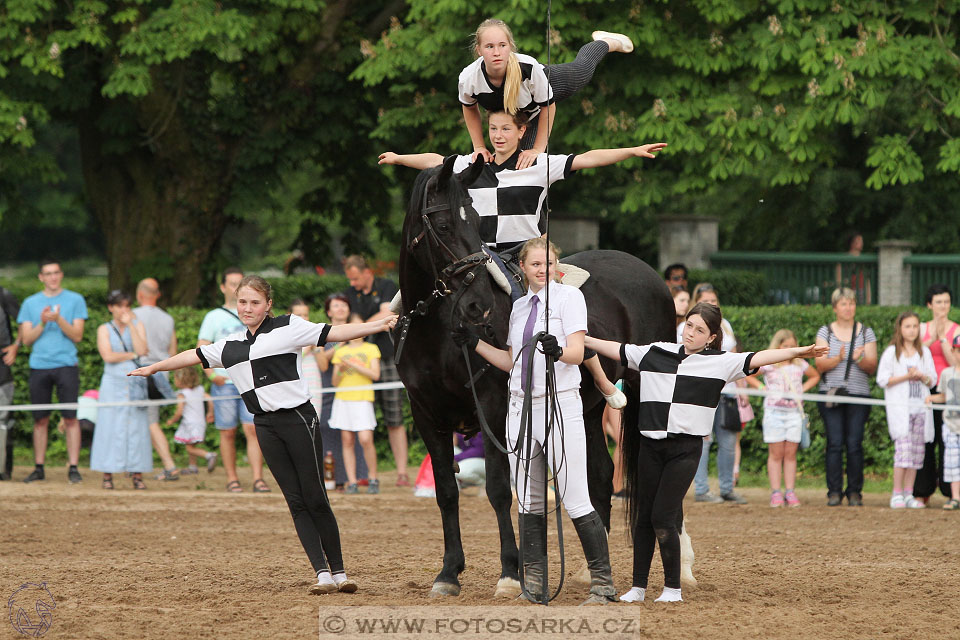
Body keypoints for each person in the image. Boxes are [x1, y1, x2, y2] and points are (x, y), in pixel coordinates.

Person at [129, 275, 398, 594]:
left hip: (299, 418)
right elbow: (193, 355)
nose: (247, 308)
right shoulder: (230, 345)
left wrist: (379, 325)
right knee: (295, 501)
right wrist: (155, 367)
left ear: (268, 305)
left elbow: (334, 332)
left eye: (255, 302)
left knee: (315, 497)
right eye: (242, 302)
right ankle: (322, 573)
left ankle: (340, 572)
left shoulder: (289, 327)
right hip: (265, 426)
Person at [378, 110, 665, 405]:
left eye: (505, 129)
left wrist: (631, 151)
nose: (498, 135)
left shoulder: (539, 164)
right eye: (493, 129)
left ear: (521, 131)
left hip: (526, 257)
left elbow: (587, 158)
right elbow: (434, 161)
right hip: (482, 255)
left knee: (552, 313)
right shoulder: (470, 164)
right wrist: (400, 158)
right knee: (408, 302)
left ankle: (602, 380)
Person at [585, 302, 826, 603]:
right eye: (689, 326)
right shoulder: (655, 352)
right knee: (643, 518)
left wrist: (797, 352)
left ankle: (672, 588)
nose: (691, 333)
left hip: (684, 451)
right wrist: (579, 337)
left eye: (700, 330)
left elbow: (759, 356)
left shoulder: (721, 362)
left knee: (663, 516)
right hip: (649, 446)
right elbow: (616, 348)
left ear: (711, 337)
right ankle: (638, 587)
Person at [452, 237, 617, 606]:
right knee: (527, 500)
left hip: (560, 405)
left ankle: (603, 584)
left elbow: (577, 351)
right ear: (523, 268)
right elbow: (513, 361)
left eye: (549, 263)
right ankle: (536, 585)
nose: (543, 270)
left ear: (557, 266)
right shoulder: (520, 307)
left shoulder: (569, 298)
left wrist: (559, 350)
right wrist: (473, 341)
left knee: (574, 496)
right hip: (521, 408)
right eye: (536, 264)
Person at [460, 18, 633, 168]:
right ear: (479, 50)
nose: (496, 52)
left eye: (502, 45)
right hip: (517, 117)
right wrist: (479, 147)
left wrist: (537, 150)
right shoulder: (469, 78)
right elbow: (469, 108)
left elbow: (548, 107)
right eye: (489, 46)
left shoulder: (528, 68)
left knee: (582, 71)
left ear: (510, 47)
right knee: (520, 165)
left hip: (544, 90)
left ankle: (605, 41)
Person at [198, 267, 269, 493]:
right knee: (227, 431)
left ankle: (258, 478)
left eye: (240, 284)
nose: (236, 288)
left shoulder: (257, 313)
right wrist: (212, 375)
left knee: (253, 430)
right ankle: (232, 478)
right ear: (222, 287)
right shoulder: (213, 317)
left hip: (252, 381)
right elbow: (202, 347)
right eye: (232, 284)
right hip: (225, 383)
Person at [17, 259, 88, 484]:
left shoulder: (75, 300)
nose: (53, 277)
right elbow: (26, 340)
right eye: (48, 273)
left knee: (70, 419)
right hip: (39, 366)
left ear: (61, 274)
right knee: (40, 420)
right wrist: (42, 322)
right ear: (41, 277)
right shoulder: (30, 303)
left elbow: (77, 335)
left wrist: (58, 320)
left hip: (66, 364)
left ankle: (73, 467)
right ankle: (39, 467)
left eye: (56, 272)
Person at [341, 255, 410, 486]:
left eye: (356, 278)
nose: (352, 283)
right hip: (357, 360)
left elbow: (388, 314)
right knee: (359, 422)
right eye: (350, 279)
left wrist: (360, 327)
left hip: (387, 358)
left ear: (367, 272)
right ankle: (365, 474)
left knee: (394, 417)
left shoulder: (386, 286)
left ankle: (401, 472)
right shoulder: (349, 294)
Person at [814, 287, 878, 507]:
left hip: (859, 395)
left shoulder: (866, 332)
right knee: (834, 443)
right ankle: (833, 491)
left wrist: (858, 360)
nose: (848, 308)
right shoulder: (825, 332)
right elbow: (820, 365)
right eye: (843, 304)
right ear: (835, 308)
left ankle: (854, 492)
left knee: (854, 444)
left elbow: (872, 366)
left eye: (851, 303)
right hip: (831, 395)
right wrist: (841, 358)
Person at [746, 329, 820, 507]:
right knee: (776, 453)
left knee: (790, 454)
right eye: (785, 346)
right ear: (778, 346)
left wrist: (802, 390)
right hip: (774, 412)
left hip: (794, 413)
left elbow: (815, 376)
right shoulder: (770, 364)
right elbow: (749, 375)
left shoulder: (800, 364)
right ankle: (776, 492)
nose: (789, 350)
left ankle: (790, 491)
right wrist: (762, 388)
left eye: (792, 346)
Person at [689, 283, 744, 504]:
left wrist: (741, 388)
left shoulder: (726, 325)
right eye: (707, 301)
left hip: (728, 391)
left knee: (729, 442)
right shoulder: (689, 327)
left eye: (714, 300)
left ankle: (727, 488)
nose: (712, 304)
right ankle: (701, 489)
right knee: (703, 441)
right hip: (702, 392)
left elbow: (734, 359)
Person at [90, 290, 151, 490]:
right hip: (112, 383)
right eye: (119, 306)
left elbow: (143, 350)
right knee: (109, 426)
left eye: (127, 306)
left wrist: (131, 325)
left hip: (135, 382)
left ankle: (137, 473)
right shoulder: (104, 329)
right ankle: (107, 473)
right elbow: (107, 356)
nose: (123, 310)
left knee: (137, 426)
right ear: (111, 308)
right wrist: (131, 353)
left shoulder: (137, 324)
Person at [877, 312, 936, 509]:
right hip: (901, 410)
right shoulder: (892, 353)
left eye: (915, 326)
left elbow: (932, 379)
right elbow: (883, 379)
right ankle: (897, 493)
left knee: (916, 453)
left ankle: (909, 493)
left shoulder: (924, 353)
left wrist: (921, 376)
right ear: (900, 329)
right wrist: (906, 376)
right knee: (902, 452)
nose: (911, 330)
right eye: (908, 326)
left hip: (920, 408)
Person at [310, 294, 368, 490]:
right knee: (328, 430)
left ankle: (360, 476)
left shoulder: (359, 332)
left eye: (344, 305)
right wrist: (343, 342)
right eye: (336, 305)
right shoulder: (321, 335)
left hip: (355, 392)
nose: (341, 308)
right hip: (328, 391)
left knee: (357, 434)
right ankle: (333, 478)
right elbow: (323, 364)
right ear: (329, 311)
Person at [133, 278, 180, 481]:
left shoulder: (133, 316)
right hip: (162, 372)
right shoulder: (168, 318)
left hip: (141, 371)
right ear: (158, 295)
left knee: (150, 421)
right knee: (148, 420)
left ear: (139, 295)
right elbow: (173, 351)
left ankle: (169, 465)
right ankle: (136, 464)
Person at [329, 313, 382, 495]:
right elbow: (335, 382)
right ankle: (352, 481)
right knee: (347, 440)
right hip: (343, 399)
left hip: (363, 398)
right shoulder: (340, 351)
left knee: (366, 439)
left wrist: (353, 365)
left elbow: (376, 375)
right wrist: (342, 369)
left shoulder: (371, 348)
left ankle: (373, 477)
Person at [916, 284, 959, 503]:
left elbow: (955, 363)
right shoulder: (922, 329)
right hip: (926, 389)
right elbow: (915, 356)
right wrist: (931, 337)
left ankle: (949, 491)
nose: (943, 306)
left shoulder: (957, 330)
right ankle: (923, 491)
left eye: (946, 301)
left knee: (948, 439)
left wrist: (943, 339)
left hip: (950, 390)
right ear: (929, 305)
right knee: (925, 439)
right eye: (939, 302)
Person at [927, 335, 960, 510]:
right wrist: (930, 398)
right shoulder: (947, 373)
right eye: (959, 350)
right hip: (951, 425)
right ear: (953, 351)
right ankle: (955, 497)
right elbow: (944, 397)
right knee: (952, 462)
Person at [168, 367, 217, 474]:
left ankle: (209, 455)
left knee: (189, 448)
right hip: (200, 422)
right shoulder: (199, 389)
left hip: (189, 424)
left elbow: (179, 411)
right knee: (191, 444)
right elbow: (209, 399)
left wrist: (172, 420)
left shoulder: (182, 394)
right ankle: (192, 466)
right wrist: (210, 412)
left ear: (181, 380)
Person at [0, 284, 20, 480]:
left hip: (1, 367)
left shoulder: (3, 294)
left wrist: (16, 346)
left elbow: (23, 321)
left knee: (3, 419)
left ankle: (3, 469)